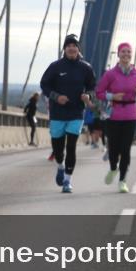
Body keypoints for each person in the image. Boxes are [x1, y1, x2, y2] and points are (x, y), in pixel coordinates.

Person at [39, 34, 96, 194]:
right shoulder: (55, 66)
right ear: (64, 49)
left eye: (74, 46)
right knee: (58, 149)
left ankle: (67, 181)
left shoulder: (86, 68)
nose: (72, 48)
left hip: (76, 112)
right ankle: (60, 166)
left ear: (78, 49)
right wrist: (56, 97)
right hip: (57, 113)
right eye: (68, 46)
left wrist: (88, 96)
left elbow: (92, 87)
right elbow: (44, 85)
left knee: (71, 147)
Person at [96, 42, 136, 193]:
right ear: (118, 54)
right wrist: (112, 95)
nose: (126, 54)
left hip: (131, 114)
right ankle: (113, 168)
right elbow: (99, 92)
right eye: (123, 52)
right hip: (114, 114)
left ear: (131, 55)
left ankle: (122, 180)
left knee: (126, 149)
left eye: (128, 52)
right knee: (113, 148)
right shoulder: (110, 74)